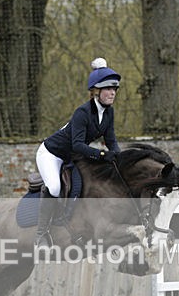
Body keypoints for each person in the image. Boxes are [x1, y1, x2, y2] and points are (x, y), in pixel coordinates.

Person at [34, 57, 122, 247]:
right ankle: (41, 235)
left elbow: (111, 140)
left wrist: (119, 157)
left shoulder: (108, 113)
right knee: (55, 188)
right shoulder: (82, 112)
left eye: (114, 89)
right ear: (96, 91)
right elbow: (78, 145)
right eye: (108, 89)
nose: (112, 92)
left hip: (72, 155)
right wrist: (102, 155)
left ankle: (75, 224)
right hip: (51, 153)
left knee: (86, 182)